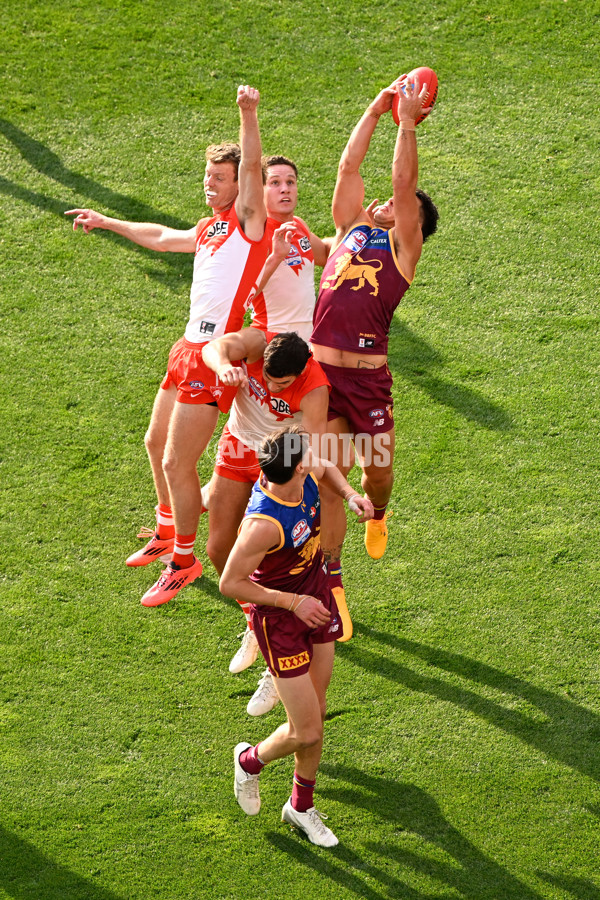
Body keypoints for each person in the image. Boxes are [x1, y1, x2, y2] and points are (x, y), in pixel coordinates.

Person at [65, 85, 270, 607]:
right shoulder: (209, 228)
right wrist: (108, 221)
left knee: (181, 464)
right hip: (186, 349)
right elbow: (159, 236)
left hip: (214, 355)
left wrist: (248, 114)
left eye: (219, 177)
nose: (211, 182)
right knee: (156, 445)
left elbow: (252, 169)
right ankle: (164, 530)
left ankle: (183, 559)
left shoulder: (249, 223)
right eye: (208, 175)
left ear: (240, 185)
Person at [310, 73, 439, 608]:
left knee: (377, 473)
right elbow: (349, 168)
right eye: (381, 201)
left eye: (397, 205)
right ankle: (330, 578)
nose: (385, 201)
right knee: (324, 474)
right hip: (322, 376)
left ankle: (380, 515)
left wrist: (406, 123)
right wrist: (377, 107)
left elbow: (404, 187)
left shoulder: (404, 252)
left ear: (414, 227)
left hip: (367, 382)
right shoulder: (349, 230)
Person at [219, 425, 373, 847]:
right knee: (306, 732)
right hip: (282, 621)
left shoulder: (300, 474)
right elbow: (230, 583)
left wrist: (350, 495)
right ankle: (250, 761)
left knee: (315, 719)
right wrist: (292, 603)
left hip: (316, 598)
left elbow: (327, 469)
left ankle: (299, 807)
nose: (315, 459)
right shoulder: (262, 526)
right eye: (308, 456)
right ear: (297, 466)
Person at [202, 327, 352, 717]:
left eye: (280, 384)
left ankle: (274, 663)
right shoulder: (258, 343)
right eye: (265, 377)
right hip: (237, 445)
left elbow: (313, 449)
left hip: (279, 465)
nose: (269, 387)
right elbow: (214, 348)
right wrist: (224, 367)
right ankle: (254, 621)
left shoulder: (315, 389)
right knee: (219, 549)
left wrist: (342, 492)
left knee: (278, 563)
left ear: (303, 372)